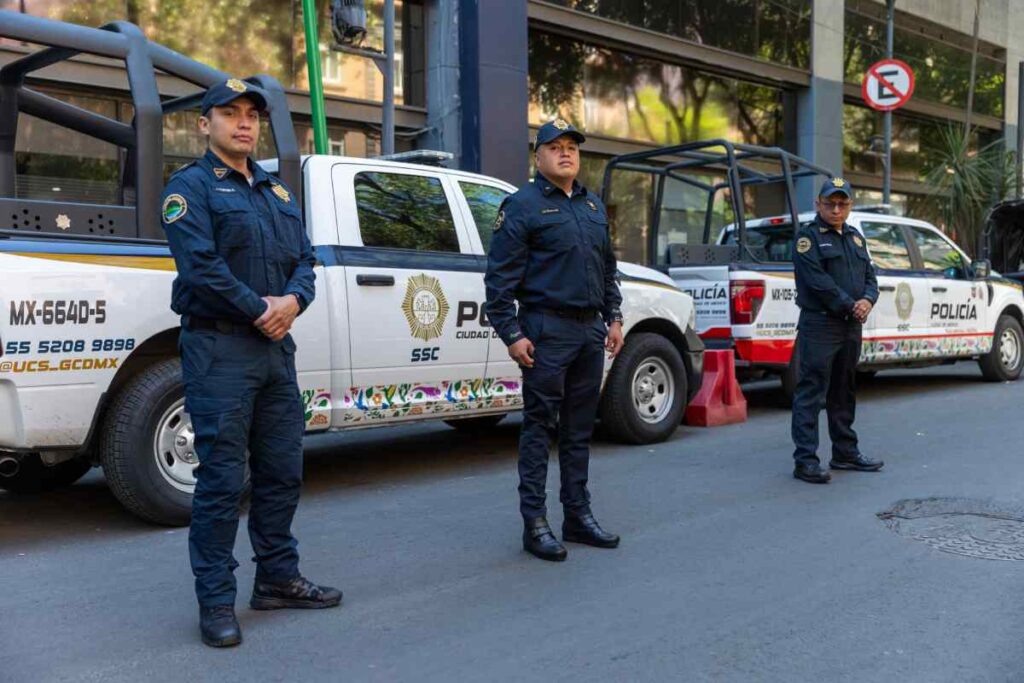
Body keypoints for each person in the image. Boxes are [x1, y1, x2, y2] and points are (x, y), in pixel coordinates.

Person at [160, 78, 340, 648]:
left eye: (251, 115)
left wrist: (292, 302)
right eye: (230, 113)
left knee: (283, 470)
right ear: (204, 123)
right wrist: (260, 309)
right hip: (219, 350)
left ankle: (278, 579)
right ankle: (215, 600)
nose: (243, 123)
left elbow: (306, 261)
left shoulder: (277, 193)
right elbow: (201, 267)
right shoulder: (189, 189)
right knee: (219, 480)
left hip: (274, 350)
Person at [484, 118, 625, 561]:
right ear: (538, 156)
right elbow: (499, 281)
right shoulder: (521, 206)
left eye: (572, 147)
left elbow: (607, 268)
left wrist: (614, 317)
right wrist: (511, 333)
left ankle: (577, 516)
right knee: (539, 428)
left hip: (589, 331)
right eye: (555, 146)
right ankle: (535, 522)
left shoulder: (592, 207)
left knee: (579, 429)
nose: (566, 153)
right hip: (546, 331)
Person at [790, 177, 884, 484]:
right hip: (820, 325)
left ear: (850, 206)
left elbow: (871, 277)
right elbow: (818, 283)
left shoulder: (856, 238)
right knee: (811, 393)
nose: (836, 208)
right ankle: (805, 461)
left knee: (844, 390)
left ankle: (845, 453)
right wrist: (850, 305)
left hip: (849, 327)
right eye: (830, 203)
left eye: (842, 203)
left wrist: (868, 300)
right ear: (818, 204)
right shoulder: (808, 239)